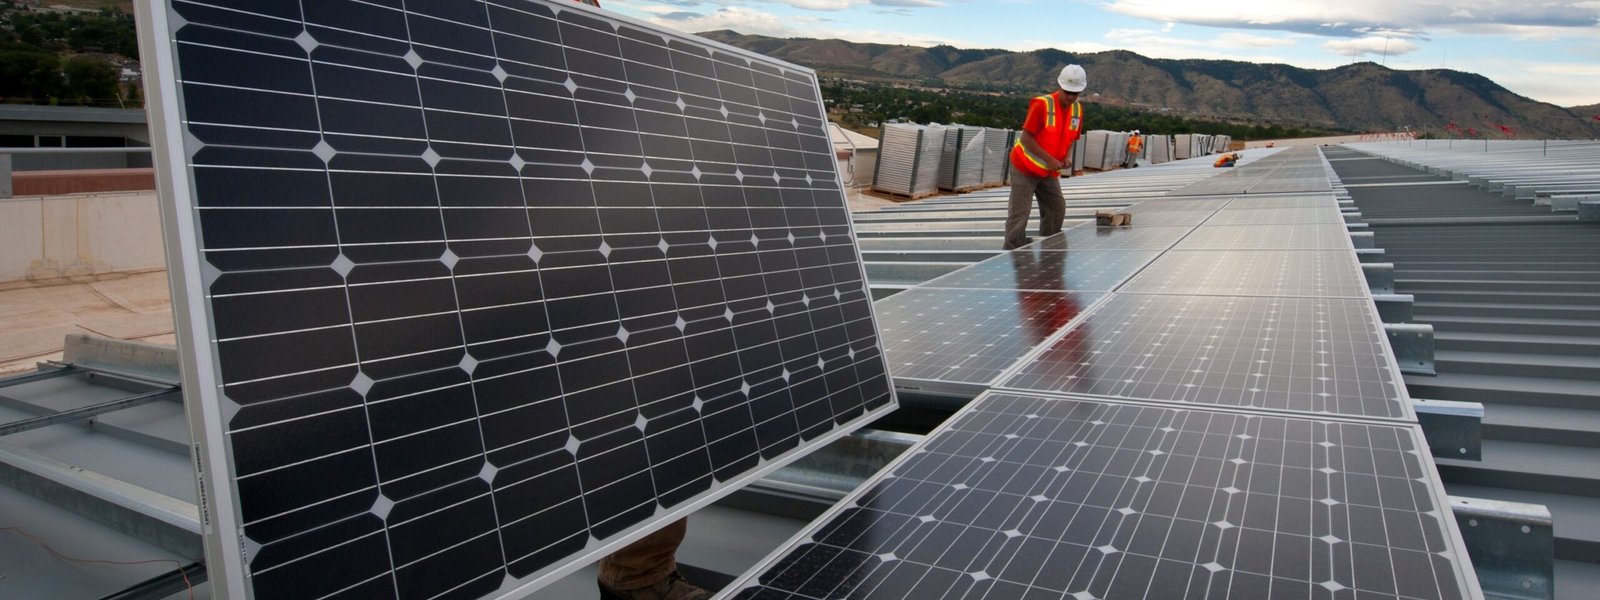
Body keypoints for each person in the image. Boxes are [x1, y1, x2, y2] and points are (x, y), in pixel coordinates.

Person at [1003, 64, 1087, 250]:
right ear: (1060, 86)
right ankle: (1011, 256)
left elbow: (1073, 137)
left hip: (1048, 170)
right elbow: (1026, 138)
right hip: (1025, 166)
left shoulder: (1077, 110)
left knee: (1056, 208)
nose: (1071, 97)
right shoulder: (1043, 104)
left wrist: (1066, 157)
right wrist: (1049, 159)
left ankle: (1048, 249)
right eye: (1067, 92)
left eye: (1076, 93)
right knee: (1020, 214)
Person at [598, 518, 708, 600]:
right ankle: (641, 580)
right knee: (643, 491)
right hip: (634, 578)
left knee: (667, 494)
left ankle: (642, 576)